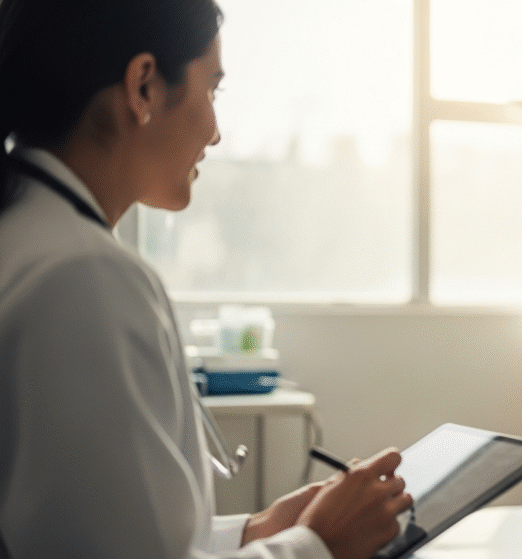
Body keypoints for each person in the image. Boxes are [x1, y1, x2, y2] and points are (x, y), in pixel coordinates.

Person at [0, 0, 412, 557]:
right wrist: (319, 544)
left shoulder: (31, 237)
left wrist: (258, 533)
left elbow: (105, 537)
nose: (216, 133)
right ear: (143, 86)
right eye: (212, 90)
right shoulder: (84, 278)